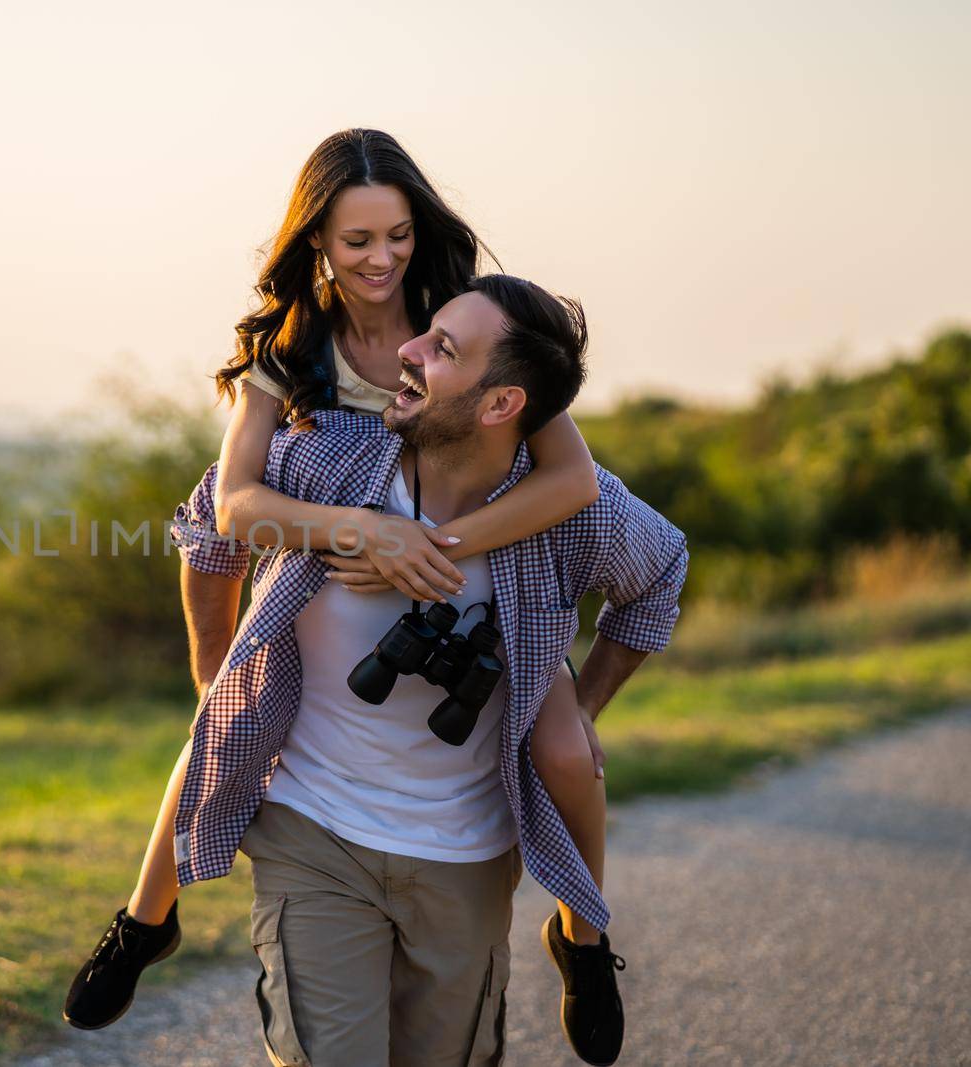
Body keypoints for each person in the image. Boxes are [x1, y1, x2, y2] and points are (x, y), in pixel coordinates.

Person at [62, 130, 623, 1062]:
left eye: (398, 235)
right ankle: (142, 921)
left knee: (564, 744)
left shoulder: (468, 330)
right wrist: (362, 533)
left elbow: (571, 482)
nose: (383, 259)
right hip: (331, 551)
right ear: (316, 240)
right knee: (219, 711)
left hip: (485, 567)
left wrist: (430, 546)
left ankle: (586, 934)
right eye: (358, 239)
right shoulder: (294, 350)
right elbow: (238, 502)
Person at [174, 275, 685, 1064]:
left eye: (442, 348)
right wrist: (214, 672)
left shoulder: (574, 514)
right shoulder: (333, 461)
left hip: (467, 855)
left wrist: (581, 707)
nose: (406, 349)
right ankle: (142, 923)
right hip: (314, 834)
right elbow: (215, 514)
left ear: (499, 404)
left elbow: (660, 573)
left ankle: (582, 938)